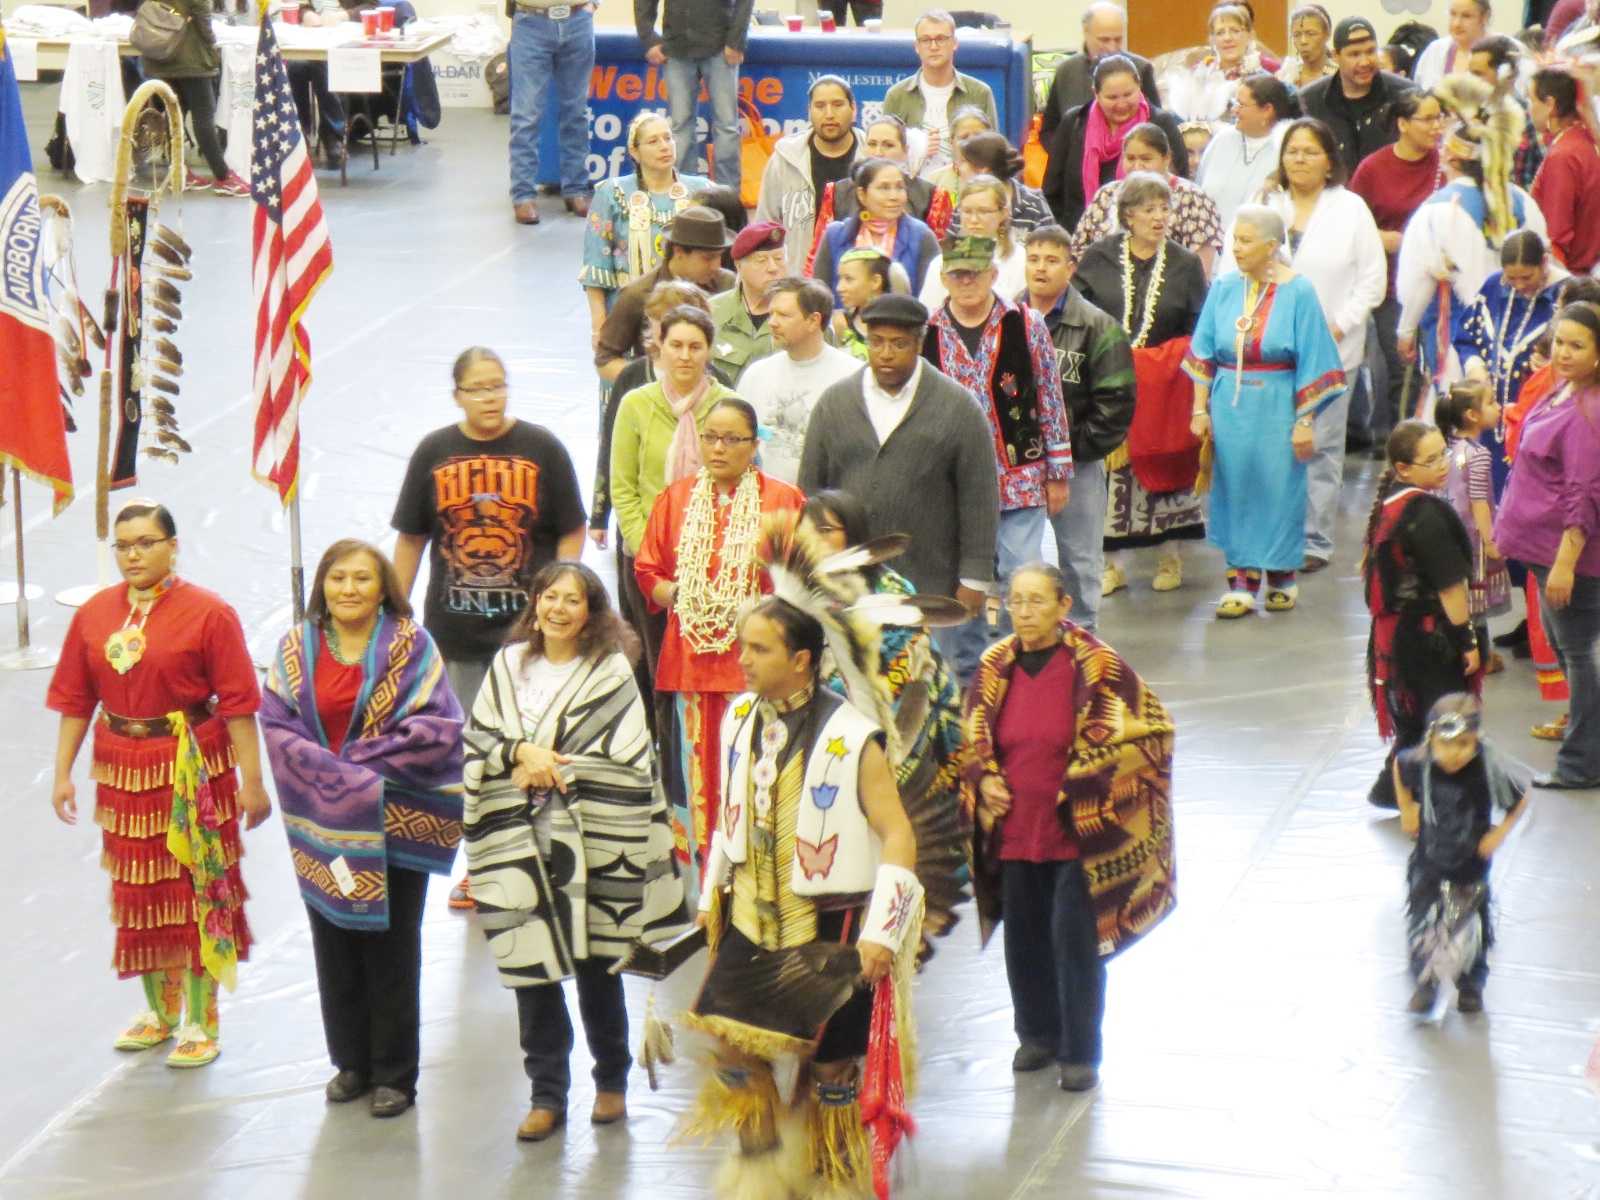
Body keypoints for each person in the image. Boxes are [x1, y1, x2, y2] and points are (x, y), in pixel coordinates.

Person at [680, 596, 927, 1200]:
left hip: (831, 922)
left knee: (831, 1068)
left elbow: (897, 833)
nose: (743, 660)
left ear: (801, 660)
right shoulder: (738, 717)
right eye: (743, 646)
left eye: (758, 649)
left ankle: (827, 1177)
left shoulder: (852, 736)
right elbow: (728, 816)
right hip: (747, 913)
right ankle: (761, 1170)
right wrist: (712, 896)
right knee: (732, 1044)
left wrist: (882, 934)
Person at [462, 561, 685, 1142]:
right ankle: (546, 1093)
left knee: (596, 967)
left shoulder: (610, 672)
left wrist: (550, 766)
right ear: (534, 603)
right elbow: (479, 736)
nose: (558, 608)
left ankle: (611, 1082)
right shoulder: (508, 665)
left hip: (593, 844)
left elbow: (633, 763)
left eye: (572, 600)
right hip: (515, 838)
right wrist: (517, 754)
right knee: (530, 969)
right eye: (548, 596)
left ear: (593, 613)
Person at [47, 499, 270, 1068]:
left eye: (145, 542)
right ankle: (160, 1012)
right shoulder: (95, 615)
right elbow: (77, 699)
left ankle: (201, 1019)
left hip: (193, 763)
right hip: (123, 767)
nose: (133, 555)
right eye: (123, 545)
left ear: (174, 545)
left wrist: (253, 782)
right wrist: (62, 774)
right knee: (138, 888)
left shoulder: (208, 614)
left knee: (196, 885)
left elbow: (240, 704)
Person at [259, 540, 464, 1118]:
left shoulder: (411, 647)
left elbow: (439, 726)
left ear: (384, 589)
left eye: (362, 579)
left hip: (396, 820)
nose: (348, 589)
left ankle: (396, 1073)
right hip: (324, 823)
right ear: (322, 585)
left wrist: (352, 772)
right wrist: (334, 776)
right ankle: (351, 1062)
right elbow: (275, 721)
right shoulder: (296, 647)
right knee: (334, 938)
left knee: (391, 944)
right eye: (337, 578)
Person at [962, 562, 1175, 1091]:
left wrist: (1086, 779)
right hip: (1017, 829)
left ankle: (1080, 1049)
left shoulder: (1099, 667)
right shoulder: (994, 666)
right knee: (1025, 938)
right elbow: (969, 737)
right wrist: (984, 777)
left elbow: (1150, 729)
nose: (1024, 612)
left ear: (1063, 606)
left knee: (1075, 939)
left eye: (1036, 601)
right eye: (1015, 601)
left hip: (1079, 834)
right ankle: (1036, 1034)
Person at [390, 347, 585, 908]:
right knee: (476, 756)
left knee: (540, 750)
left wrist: (563, 587)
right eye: (478, 388)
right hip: (456, 637)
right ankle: (482, 863)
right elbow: (410, 540)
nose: (491, 398)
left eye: (498, 386)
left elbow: (572, 529)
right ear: (457, 394)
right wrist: (395, 619)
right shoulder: (434, 452)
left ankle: (546, 859)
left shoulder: (542, 448)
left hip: (531, 640)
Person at [635, 398, 806, 870]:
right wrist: (680, 592)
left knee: (755, 765)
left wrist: (755, 610)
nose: (718, 448)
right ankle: (704, 866)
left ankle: (759, 861)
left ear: (754, 445)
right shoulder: (676, 499)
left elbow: (798, 579)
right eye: (710, 437)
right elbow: (648, 568)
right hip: (691, 657)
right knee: (698, 770)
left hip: (757, 665)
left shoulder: (783, 500)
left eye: (732, 439)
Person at [798, 293, 1001, 681]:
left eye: (899, 344)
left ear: (919, 344)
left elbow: (979, 499)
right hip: (849, 590)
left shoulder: (958, 407)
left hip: (931, 589)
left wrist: (974, 579)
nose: (886, 354)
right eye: (877, 342)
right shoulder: (835, 403)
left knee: (930, 690)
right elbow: (808, 492)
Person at [1224, 118, 1385, 572]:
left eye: (1310, 151)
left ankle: (1313, 540)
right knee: (1267, 447)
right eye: (1292, 150)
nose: (1299, 158)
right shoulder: (1263, 202)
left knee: (1321, 447)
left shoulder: (1350, 208)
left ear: (1329, 159)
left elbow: (1373, 279)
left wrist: (1340, 324)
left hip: (1333, 350)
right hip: (1267, 355)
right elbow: (1232, 265)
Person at [922, 234, 1073, 678]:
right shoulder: (927, 332)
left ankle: (1023, 665)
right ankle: (966, 680)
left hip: (1019, 477)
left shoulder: (1025, 323)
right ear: (945, 278)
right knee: (960, 583)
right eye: (957, 274)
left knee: (1023, 577)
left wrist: (1058, 471)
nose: (967, 281)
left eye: (975, 273)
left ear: (993, 274)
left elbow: (1049, 394)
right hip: (951, 488)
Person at [1185, 206, 1346, 618]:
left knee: (1278, 488)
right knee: (1235, 487)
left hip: (1278, 404)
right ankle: (1240, 577)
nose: (1235, 248)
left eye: (1245, 240)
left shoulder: (1299, 292)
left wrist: (1304, 421)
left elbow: (1315, 357)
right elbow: (1203, 350)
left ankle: (1280, 573)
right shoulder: (1223, 288)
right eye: (1234, 239)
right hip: (1229, 404)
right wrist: (1199, 409)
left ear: (1272, 247)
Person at [798, 491, 964, 843]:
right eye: (807, 530)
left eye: (826, 530)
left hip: (894, 753)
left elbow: (913, 683)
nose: (815, 540)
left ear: (854, 535)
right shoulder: (796, 597)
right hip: (818, 757)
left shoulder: (889, 594)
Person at [1072, 174, 1209, 598]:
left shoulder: (1185, 264)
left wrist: (1166, 364)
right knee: (1113, 477)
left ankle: (1171, 555)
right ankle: (1111, 565)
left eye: (1165, 209)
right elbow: (1079, 313)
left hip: (1167, 386)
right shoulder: (1098, 258)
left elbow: (1198, 329)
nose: (1159, 218)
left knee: (1168, 468)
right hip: (1111, 379)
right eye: (1149, 209)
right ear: (1128, 215)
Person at [610, 306, 743, 711]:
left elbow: (739, 483)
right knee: (659, 673)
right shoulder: (636, 404)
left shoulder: (729, 405)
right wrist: (650, 555)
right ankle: (666, 762)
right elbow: (623, 488)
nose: (685, 356)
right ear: (659, 349)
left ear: (709, 352)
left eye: (695, 347)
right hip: (650, 564)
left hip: (715, 566)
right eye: (676, 345)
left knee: (712, 668)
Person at [1494, 300, 1600, 788]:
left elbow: (1584, 494)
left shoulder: (1587, 411)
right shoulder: (1561, 390)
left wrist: (1565, 565)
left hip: (1570, 561)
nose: (1564, 352)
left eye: (1578, 345)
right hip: (1540, 553)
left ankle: (1582, 764)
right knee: (1570, 651)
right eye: (1560, 341)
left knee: (1581, 657)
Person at [1396, 76, 1546, 397]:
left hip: (1462, 337)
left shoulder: (1437, 211)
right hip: (1525, 334)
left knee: (1462, 421)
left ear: (1450, 157)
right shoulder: (1524, 201)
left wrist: (1405, 331)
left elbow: (1415, 282)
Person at [1020, 224, 1135, 630]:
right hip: (1019, 466)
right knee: (1020, 557)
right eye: (1033, 259)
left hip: (1079, 466)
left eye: (1051, 260)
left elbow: (1116, 404)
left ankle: (1083, 637)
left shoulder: (1097, 326)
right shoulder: (1007, 319)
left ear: (1071, 268)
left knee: (1079, 559)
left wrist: (1070, 453)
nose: (1040, 269)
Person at [1363, 420, 1480, 809]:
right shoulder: (1425, 513)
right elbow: (1450, 586)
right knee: (1445, 715)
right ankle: (1440, 798)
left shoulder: (1393, 504)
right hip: (1428, 636)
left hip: (1398, 634)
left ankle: (1396, 789)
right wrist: (1468, 640)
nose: (1442, 465)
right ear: (1404, 468)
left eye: (1443, 454)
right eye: (1431, 460)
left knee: (1415, 721)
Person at [1394, 695, 1529, 1015]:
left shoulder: (1484, 767)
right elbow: (1399, 765)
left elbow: (1519, 798)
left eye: (1465, 745)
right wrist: (1406, 808)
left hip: (1471, 864)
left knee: (1471, 927)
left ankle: (1471, 985)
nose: (1455, 755)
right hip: (1429, 860)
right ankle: (1424, 984)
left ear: (1477, 742)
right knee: (1425, 922)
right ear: (1431, 741)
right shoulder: (1421, 761)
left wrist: (1499, 834)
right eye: (1447, 745)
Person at [1349, 90, 1446, 445]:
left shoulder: (1446, 165)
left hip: (1441, 285)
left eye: (1441, 118)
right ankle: (1401, 449)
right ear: (1402, 124)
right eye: (1428, 119)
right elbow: (1353, 223)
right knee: (1400, 370)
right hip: (1392, 285)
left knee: (1435, 367)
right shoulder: (1373, 168)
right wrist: (1381, 238)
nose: (1437, 127)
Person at [1454, 229, 1568, 501]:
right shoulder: (1494, 287)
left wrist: (1553, 364)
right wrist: (1475, 367)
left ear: (1543, 263)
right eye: (1511, 277)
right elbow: (1467, 336)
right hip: (1492, 417)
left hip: (1540, 416)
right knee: (1487, 492)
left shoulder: (1567, 295)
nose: (1517, 285)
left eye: (1526, 277)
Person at [580, 113, 712, 338]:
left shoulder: (702, 191)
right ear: (634, 151)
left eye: (668, 138)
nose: (664, 146)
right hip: (627, 312)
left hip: (690, 311)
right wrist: (599, 325)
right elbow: (596, 263)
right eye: (653, 141)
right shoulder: (612, 193)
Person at [1043, 54, 1191, 233]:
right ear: (1095, 93)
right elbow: (1052, 191)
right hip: (1080, 240)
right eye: (1112, 97)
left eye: (1128, 94)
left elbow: (1179, 179)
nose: (1121, 104)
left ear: (1140, 88)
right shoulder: (1074, 122)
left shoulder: (1161, 123)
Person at [739, 276, 861, 484]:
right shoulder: (756, 375)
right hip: (761, 501)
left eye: (784, 315)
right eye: (771, 314)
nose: (772, 323)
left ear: (814, 320)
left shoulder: (853, 376)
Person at [594, 206, 735, 384]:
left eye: (719, 256)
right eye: (708, 258)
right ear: (678, 252)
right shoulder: (638, 294)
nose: (716, 265)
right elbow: (605, 360)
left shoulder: (727, 284)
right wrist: (655, 379)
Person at [1068, 121, 1222, 276]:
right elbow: (1077, 254)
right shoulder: (1107, 195)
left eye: (1146, 159)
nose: (1137, 166)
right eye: (1130, 158)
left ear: (1166, 158)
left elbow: (1201, 271)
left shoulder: (1193, 199)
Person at [1434, 383, 1514, 667]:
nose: (1498, 407)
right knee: (1475, 601)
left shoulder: (1447, 447)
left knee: (1459, 594)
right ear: (1472, 415)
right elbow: (1479, 501)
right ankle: (1479, 656)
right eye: (1491, 402)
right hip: (1471, 537)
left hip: (1447, 532)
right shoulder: (1477, 454)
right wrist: (1491, 541)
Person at [753, 76, 863, 275]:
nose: (829, 114)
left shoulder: (871, 156)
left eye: (838, 105)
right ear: (809, 111)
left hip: (859, 280)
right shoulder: (785, 159)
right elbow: (765, 226)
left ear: (853, 108)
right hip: (800, 283)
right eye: (820, 106)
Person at [635, 0, 750, 190]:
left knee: (726, 126)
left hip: (721, 48)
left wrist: (736, 41)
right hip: (677, 48)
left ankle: (727, 197)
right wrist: (648, 38)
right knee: (680, 126)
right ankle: (683, 195)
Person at [142, 0, 249, 195]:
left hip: (160, 54)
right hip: (191, 58)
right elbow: (206, 28)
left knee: (174, 117)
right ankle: (223, 177)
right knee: (203, 119)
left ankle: (178, 172)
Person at [505, 0, 595, 226]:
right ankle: (523, 194)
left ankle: (576, 189)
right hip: (531, 22)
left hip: (578, 20)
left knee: (576, 112)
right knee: (526, 115)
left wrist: (594, 3)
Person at [882, 9, 999, 180]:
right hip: (912, 190)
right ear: (916, 46)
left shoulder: (980, 92)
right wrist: (918, 149)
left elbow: (992, 153)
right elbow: (885, 159)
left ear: (955, 43)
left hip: (968, 188)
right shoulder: (897, 95)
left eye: (941, 39)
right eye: (926, 40)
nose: (934, 46)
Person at [811, 115, 944, 260]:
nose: (878, 152)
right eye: (872, 144)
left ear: (905, 151)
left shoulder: (931, 196)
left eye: (888, 145)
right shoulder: (838, 192)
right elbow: (817, 257)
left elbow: (937, 261)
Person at [1301, 17, 1416, 179]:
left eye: (1370, 52)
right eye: (1354, 54)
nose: (1364, 62)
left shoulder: (1406, 95)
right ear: (1336, 56)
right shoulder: (1309, 101)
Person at [811, 158, 941, 299]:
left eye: (900, 187)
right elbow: (819, 299)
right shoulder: (835, 235)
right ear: (862, 194)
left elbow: (932, 300)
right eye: (884, 188)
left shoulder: (921, 236)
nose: (894, 196)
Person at [1039, 1, 1161, 141]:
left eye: (1118, 39)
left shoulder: (1141, 69)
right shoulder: (1066, 71)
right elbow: (1049, 129)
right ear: (1086, 32)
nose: (1112, 47)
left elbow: (1158, 127)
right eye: (1104, 40)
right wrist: (1068, 155)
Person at [1195, 73, 1297, 227]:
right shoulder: (1222, 140)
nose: (1234, 110)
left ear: (1267, 110)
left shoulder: (1287, 149)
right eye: (1234, 103)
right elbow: (1198, 189)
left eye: (1241, 105)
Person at [1160, 2, 1280, 128]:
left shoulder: (1265, 75)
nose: (1227, 38)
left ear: (1249, 35)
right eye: (1220, 33)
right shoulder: (1199, 73)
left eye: (1235, 31)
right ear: (1212, 40)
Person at [1529, 66, 1600, 275]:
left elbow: (1556, 236)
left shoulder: (1564, 155)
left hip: (1573, 277)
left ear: (1550, 104)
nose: (1529, 109)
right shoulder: (1585, 141)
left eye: (1531, 101)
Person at [920, 175, 1027, 307]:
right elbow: (930, 312)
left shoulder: (1021, 260)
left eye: (983, 211)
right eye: (967, 211)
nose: (974, 220)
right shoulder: (940, 262)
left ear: (1003, 213)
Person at [709, 222, 785, 385]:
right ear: (739, 266)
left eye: (779, 258)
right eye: (761, 260)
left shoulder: (804, 311)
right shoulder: (712, 312)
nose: (773, 268)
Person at [1468, 34, 1543, 190]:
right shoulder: (1473, 111)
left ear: (1506, 74)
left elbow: (1520, 181)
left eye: (1478, 74)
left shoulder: (1524, 118)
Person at [949, 132, 1056, 233]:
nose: (958, 168)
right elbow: (951, 246)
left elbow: (1052, 245)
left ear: (983, 170)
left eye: (963, 162)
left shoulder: (1033, 202)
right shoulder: (965, 203)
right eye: (968, 212)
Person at [829, 247, 911, 361]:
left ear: (875, 281)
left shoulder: (903, 326)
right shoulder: (840, 323)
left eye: (848, 279)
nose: (839, 288)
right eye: (840, 279)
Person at [1414, 0, 1493, 90]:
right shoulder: (1435, 50)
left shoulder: (1502, 51)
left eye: (1466, 16)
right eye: (1453, 14)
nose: (1457, 24)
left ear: (1484, 17)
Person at [1277, 4, 1336, 89]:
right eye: (1297, 35)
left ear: (1327, 35)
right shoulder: (1286, 75)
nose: (1303, 41)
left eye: (1311, 34)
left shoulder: (1339, 76)